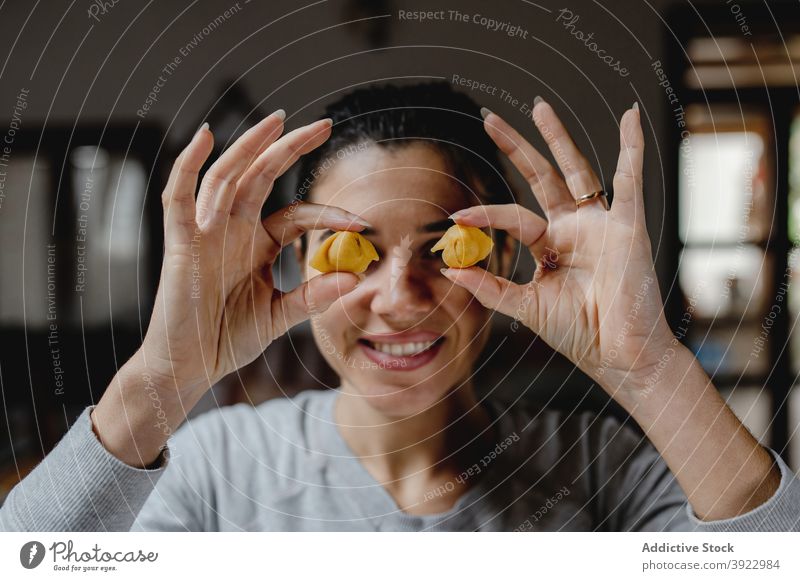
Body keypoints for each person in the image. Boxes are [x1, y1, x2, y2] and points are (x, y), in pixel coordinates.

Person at [1, 82, 798, 532]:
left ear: (505, 255)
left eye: (442, 248)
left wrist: (648, 366)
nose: (399, 297)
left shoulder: (599, 471)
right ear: (296, 262)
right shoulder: (218, 471)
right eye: (354, 249)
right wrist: (161, 377)